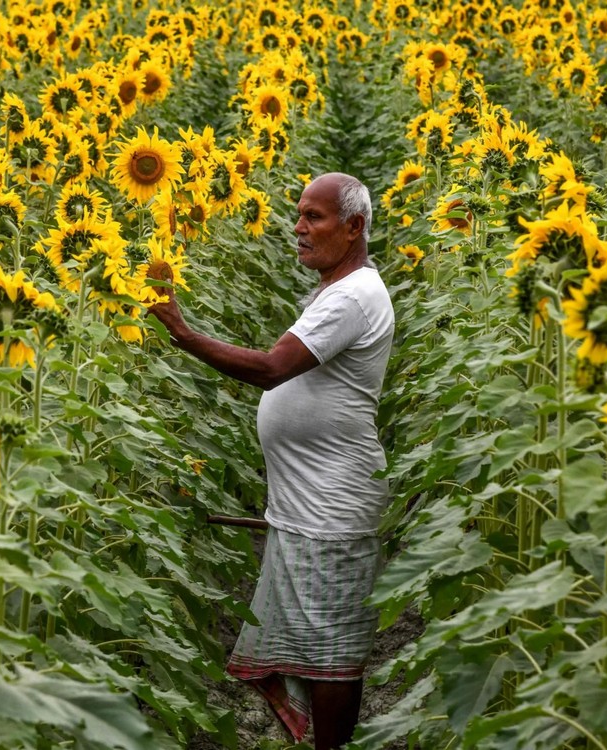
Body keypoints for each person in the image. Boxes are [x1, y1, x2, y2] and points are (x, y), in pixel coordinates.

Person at [147, 172, 394, 749]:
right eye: (299, 215)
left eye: (314, 217)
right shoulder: (342, 291)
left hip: (332, 501)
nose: (298, 228)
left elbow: (271, 367)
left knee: (332, 645)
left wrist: (180, 331)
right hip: (311, 498)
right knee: (317, 641)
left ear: (354, 226)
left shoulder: (352, 297)